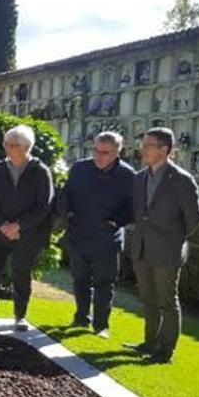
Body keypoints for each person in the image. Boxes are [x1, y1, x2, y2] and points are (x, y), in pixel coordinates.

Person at [125, 127, 199, 364]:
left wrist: (172, 239)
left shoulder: (181, 180)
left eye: (148, 145)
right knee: (148, 299)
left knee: (167, 302)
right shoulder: (139, 178)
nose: (143, 149)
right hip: (142, 248)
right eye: (143, 144)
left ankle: (165, 352)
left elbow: (194, 219)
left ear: (164, 149)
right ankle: (149, 343)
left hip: (167, 251)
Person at [0, 125, 53, 332]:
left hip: (27, 235)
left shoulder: (40, 171)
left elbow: (43, 205)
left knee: (21, 275)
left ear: (26, 147)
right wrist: (2, 225)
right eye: (6, 143)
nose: (7, 147)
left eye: (13, 144)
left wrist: (19, 225)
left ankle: (20, 317)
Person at [56, 131, 134, 338]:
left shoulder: (128, 175)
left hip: (107, 238)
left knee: (104, 284)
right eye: (96, 150)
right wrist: (67, 213)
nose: (98, 156)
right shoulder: (80, 168)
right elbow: (66, 194)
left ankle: (101, 325)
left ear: (118, 152)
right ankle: (81, 317)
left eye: (105, 152)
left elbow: (133, 207)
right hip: (79, 233)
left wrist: (115, 222)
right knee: (80, 279)